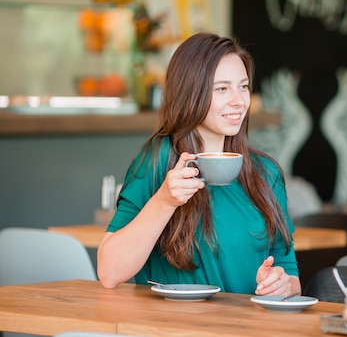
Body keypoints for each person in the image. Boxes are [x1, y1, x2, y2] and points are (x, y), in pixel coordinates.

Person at [98, 33, 301, 298]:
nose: (239, 101)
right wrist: (165, 201)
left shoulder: (266, 173)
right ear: (190, 92)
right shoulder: (159, 161)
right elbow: (110, 273)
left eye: (243, 86)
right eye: (222, 89)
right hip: (172, 333)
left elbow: (291, 276)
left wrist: (282, 284)